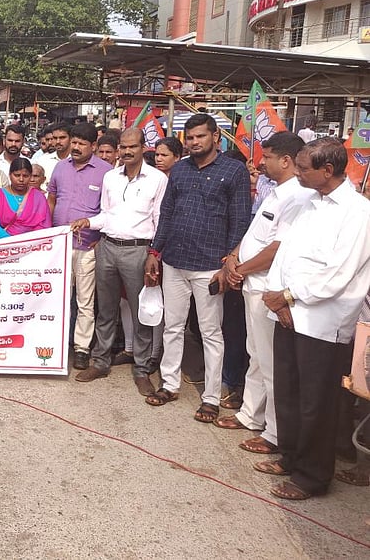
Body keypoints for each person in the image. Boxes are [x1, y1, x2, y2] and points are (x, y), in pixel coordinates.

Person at [256, 138, 370, 500]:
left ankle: (313, 477)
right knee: (288, 391)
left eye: (304, 168)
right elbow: (285, 252)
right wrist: (278, 300)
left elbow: (340, 273)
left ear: (328, 170)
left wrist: (289, 296)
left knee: (315, 402)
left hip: (322, 321)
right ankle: (290, 456)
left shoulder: (358, 213)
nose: (298, 173)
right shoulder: (310, 202)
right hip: (287, 313)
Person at [144, 113, 251, 423]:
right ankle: (170, 384)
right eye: (189, 138)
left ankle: (211, 397)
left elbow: (240, 220)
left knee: (210, 332)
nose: (194, 142)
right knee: (173, 326)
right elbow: (167, 214)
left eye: (200, 137)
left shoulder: (233, 172)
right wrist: (155, 251)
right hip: (175, 260)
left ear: (215, 137)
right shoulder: (179, 171)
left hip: (210, 265)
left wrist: (229, 261)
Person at [210, 133, 310, 458]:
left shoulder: (297, 197)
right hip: (251, 283)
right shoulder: (276, 192)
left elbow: (278, 248)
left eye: (266, 157)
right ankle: (250, 414)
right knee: (256, 354)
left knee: (271, 362)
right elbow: (256, 234)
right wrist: (233, 258)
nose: (260, 162)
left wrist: (242, 268)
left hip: (268, 288)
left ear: (285, 160)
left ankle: (275, 433)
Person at [71, 128, 168, 394]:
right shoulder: (111, 177)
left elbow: (160, 220)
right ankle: (100, 362)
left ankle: (141, 369)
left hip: (138, 251)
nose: (126, 152)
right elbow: (106, 214)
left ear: (142, 147)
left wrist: (154, 255)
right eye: (123, 147)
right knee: (106, 310)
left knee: (140, 312)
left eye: (132, 147)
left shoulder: (157, 179)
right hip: (108, 247)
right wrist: (87, 222)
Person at [47, 122, 113, 370]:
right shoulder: (60, 168)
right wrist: (48, 232)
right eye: (73, 142)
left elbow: (109, 209)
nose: (75, 147)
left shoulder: (106, 172)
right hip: (60, 245)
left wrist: (99, 239)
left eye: (81, 144)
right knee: (59, 298)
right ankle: (57, 342)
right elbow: (52, 198)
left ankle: (82, 348)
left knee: (85, 301)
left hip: (88, 246)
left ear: (93, 146)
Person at [0, 157, 51, 239]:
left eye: (25, 176)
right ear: (9, 175)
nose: (21, 179)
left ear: (30, 176)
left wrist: (29, 243)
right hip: (3, 245)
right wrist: (15, 243)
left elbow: (44, 226)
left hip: (32, 246)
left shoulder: (39, 197)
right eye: (17, 175)